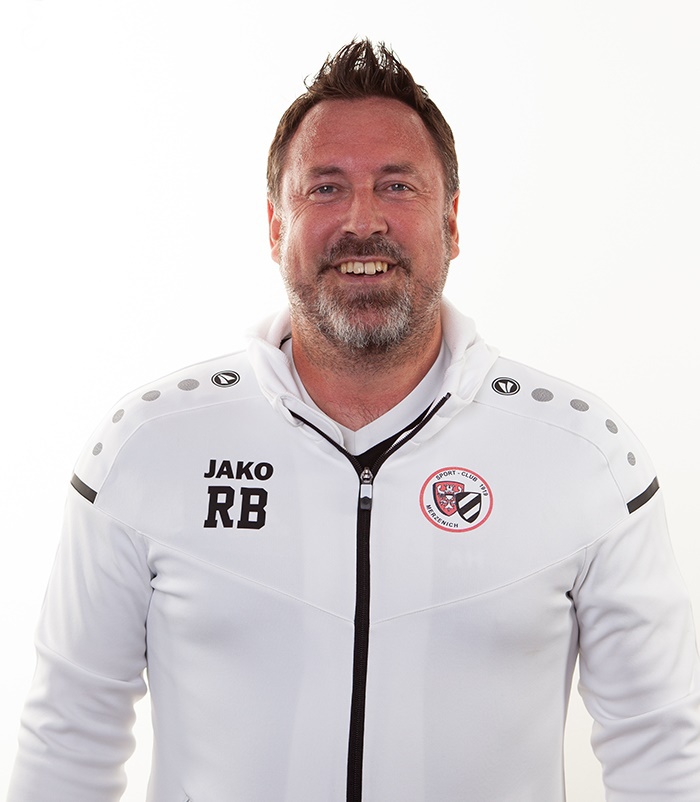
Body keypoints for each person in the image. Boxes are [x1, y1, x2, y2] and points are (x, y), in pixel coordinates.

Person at [8, 39, 700, 802]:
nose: (362, 220)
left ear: (452, 222)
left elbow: (663, 755)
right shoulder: (146, 449)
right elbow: (67, 743)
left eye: (397, 186)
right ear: (276, 226)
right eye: (325, 187)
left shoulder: (585, 458)